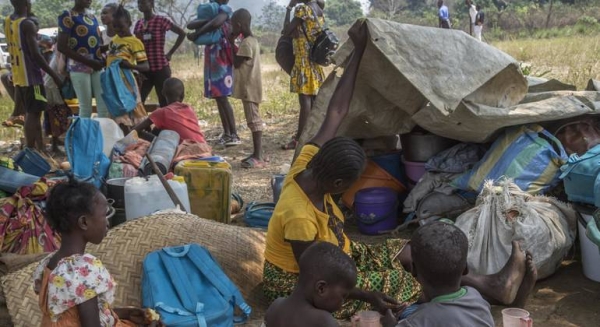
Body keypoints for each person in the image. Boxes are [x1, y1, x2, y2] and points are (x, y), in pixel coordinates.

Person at [263, 20, 536, 320]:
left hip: (339, 255)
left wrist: (359, 51)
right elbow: (316, 282)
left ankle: (489, 284)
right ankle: (488, 287)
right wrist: (366, 294)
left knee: (410, 250)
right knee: (404, 280)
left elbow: (337, 111)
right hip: (304, 281)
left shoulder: (309, 162)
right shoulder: (298, 215)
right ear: (337, 181)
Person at [33, 176, 163, 326]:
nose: (107, 222)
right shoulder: (83, 270)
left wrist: (125, 313)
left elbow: (75, 312)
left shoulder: (49, 264)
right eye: (104, 215)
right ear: (84, 222)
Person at [383, 223, 538, 327]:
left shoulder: (416, 322)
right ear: (465, 269)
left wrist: (391, 324)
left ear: (414, 271)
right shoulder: (476, 297)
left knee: (409, 312)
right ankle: (515, 306)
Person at [5, 0, 62, 152]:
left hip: (18, 75)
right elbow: (36, 55)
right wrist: (54, 75)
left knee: (33, 112)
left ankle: (39, 149)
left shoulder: (8, 21)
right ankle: (29, 151)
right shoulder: (27, 24)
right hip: (32, 77)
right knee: (34, 113)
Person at [264, 242, 358, 327]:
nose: (341, 305)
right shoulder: (323, 321)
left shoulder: (276, 306)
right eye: (343, 296)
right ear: (321, 288)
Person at [186, 0, 240, 147]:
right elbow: (189, 24)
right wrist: (207, 20)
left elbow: (216, 23)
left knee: (222, 97)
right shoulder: (211, 12)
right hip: (212, 57)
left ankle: (234, 133)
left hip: (222, 56)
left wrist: (198, 33)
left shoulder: (225, 10)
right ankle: (227, 133)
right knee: (218, 96)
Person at [280, 0, 326, 150]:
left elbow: (286, 31)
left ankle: (299, 139)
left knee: (305, 101)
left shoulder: (302, 10)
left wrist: (289, 7)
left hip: (303, 61)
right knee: (312, 101)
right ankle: (310, 135)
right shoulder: (319, 8)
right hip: (314, 61)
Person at [57, 0, 109, 118]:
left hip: (97, 64)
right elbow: (62, 46)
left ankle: (101, 135)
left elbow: (96, 46)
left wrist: (112, 46)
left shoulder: (92, 17)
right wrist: (89, 62)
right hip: (79, 66)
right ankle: (83, 135)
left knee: (103, 107)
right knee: (85, 108)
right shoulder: (67, 15)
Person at [230, 9, 266, 168]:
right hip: (252, 86)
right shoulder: (253, 40)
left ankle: (258, 156)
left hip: (249, 88)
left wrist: (230, 42)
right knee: (253, 119)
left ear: (238, 25)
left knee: (254, 121)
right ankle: (256, 154)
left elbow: (236, 62)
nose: (232, 29)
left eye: (233, 26)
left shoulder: (245, 43)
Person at [133, 77, 210, 150]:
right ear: (183, 95)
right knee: (157, 130)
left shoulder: (162, 112)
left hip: (185, 150)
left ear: (163, 93)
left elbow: (136, 130)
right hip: (203, 147)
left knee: (142, 133)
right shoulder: (189, 109)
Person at [106, 5, 149, 134]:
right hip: (113, 81)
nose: (118, 30)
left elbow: (146, 66)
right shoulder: (114, 40)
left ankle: (138, 135)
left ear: (129, 23)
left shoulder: (135, 42)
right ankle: (124, 138)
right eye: (115, 26)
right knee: (118, 109)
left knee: (132, 108)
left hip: (126, 82)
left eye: (121, 26)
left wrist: (130, 66)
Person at [134, 0, 186, 108]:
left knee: (164, 100)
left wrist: (170, 53)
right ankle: (144, 124)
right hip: (144, 70)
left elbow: (182, 33)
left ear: (152, 4)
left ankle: (165, 124)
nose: (140, 5)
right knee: (139, 100)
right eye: (139, 3)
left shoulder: (161, 20)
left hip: (160, 68)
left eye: (143, 2)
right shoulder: (139, 24)